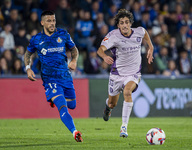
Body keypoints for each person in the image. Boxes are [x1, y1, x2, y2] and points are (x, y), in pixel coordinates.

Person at [24, 10, 83, 142]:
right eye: (49, 21)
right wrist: (28, 69)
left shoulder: (63, 34)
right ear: (42, 22)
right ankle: (75, 132)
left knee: (72, 105)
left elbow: (74, 50)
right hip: (50, 79)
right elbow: (27, 54)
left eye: (54, 20)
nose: (52, 23)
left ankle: (52, 99)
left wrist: (74, 61)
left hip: (65, 76)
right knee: (62, 106)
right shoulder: (37, 39)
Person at [97, 9, 154, 138]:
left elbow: (145, 33)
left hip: (133, 74)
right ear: (118, 25)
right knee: (112, 103)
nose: (124, 25)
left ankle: (124, 127)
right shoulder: (113, 36)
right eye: (121, 23)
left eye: (127, 22)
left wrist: (151, 47)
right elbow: (100, 49)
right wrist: (104, 57)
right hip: (117, 74)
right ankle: (108, 108)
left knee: (127, 92)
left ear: (130, 23)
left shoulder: (139, 31)